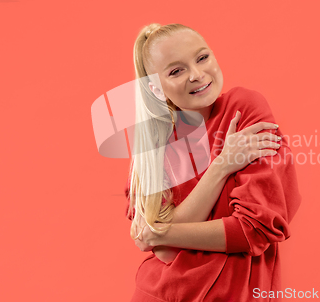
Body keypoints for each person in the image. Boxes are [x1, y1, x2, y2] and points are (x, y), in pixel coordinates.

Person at [124, 23, 302, 301]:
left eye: (202, 57)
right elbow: (165, 252)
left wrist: (161, 233)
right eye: (176, 71)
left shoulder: (243, 109)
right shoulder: (153, 148)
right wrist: (222, 165)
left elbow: (253, 230)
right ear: (156, 89)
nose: (197, 74)